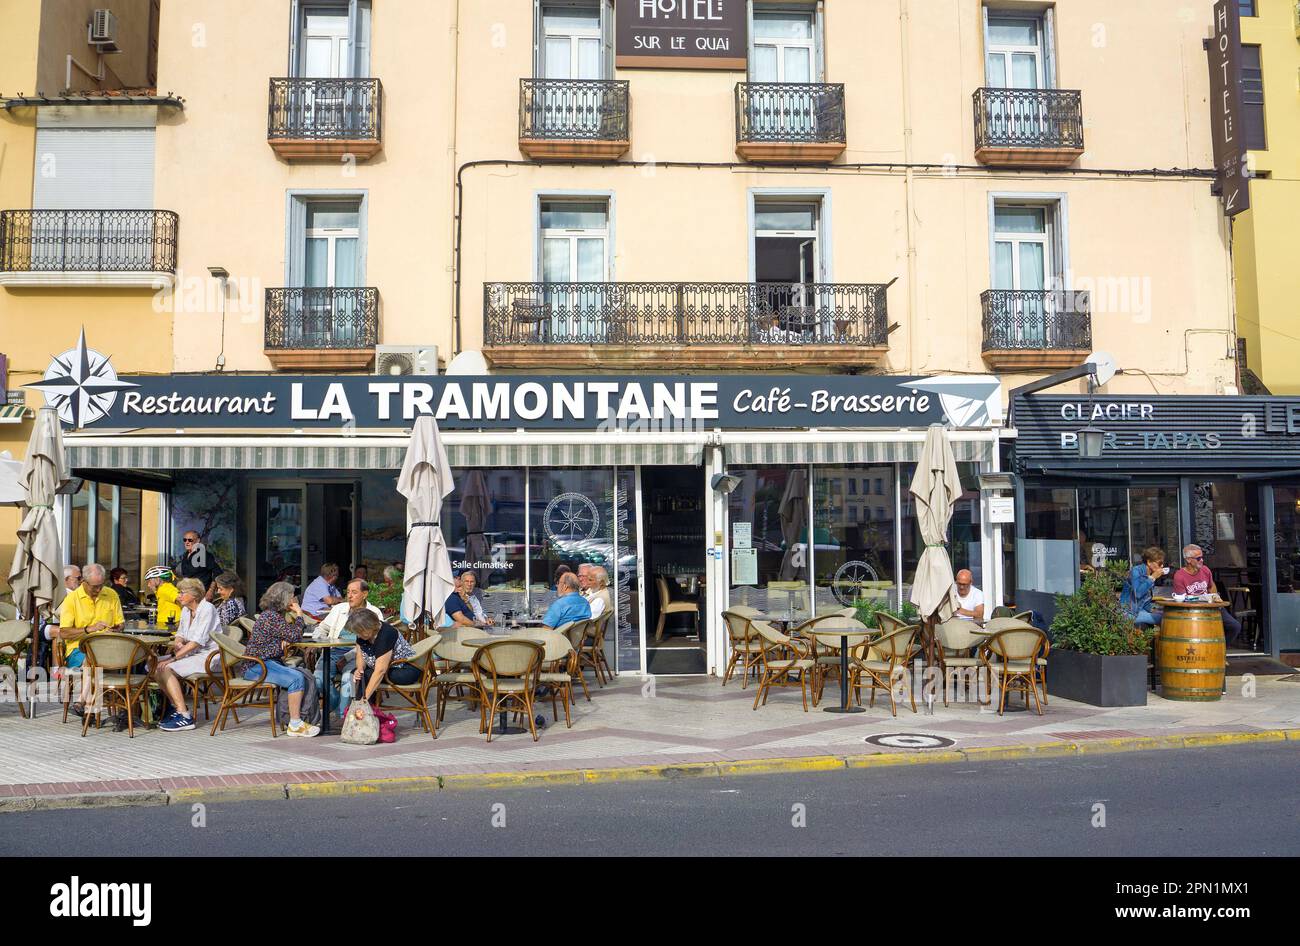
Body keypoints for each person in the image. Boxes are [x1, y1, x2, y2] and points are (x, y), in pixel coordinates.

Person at [240, 581, 319, 737]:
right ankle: (295, 724)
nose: (295, 599)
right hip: (257, 666)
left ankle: (298, 719)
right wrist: (299, 614)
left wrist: (285, 639)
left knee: (302, 674)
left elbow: (289, 635)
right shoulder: (271, 617)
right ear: (284, 598)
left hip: (266, 662)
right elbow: (295, 635)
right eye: (292, 596)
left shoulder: (273, 616)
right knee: (296, 678)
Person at [55, 563, 125, 715]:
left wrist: (118, 628)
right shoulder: (71, 599)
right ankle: (87, 705)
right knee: (91, 658)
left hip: (108, 648)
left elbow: (121, 623)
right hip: (78, 650)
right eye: (95, 587)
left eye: (101, 585)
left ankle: (84, 703)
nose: (99, 589)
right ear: (84, 582)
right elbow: (64, 633)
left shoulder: (111, 594)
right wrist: (88, 629)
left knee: (134, 658)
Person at [154, 578, 222, 732]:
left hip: (207, 656)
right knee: (152, 665)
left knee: (165, 668)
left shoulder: (207, 609)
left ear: (194, 595)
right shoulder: (186, 610)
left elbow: (198, 641)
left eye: (182, 593)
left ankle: (185, 716)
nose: (178, 596)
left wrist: (174, 658)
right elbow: (181, 633)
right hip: (191, 654)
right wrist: (178, 642)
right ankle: (177, 708)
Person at [1173, 544, 1242, 645]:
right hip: (1193, 611)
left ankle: (1220, 651)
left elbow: (1211, 586)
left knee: (1235, 626)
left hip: (1211, 607)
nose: (1202, 560)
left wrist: (1214, 596)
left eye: (1202, 557)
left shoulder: (1205, 570)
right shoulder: (1179, 576)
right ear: (1188, 560)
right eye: (1198, 558)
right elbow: (1182, 600)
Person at [348, 609, 419, 705]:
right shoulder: (363, 634)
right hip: (386, 669)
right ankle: (363, 709)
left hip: (404, 669)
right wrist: (359, 669)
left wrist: (364, 699)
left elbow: (380, 671)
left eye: (360, 632)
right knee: (356, 674)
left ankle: (362, 707)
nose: (358, 636)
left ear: (369, 627)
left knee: (367, 676)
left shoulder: (386, 634)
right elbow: (360, 655)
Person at [1121, 547, 1168, 628]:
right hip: (1128, 612)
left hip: (1139, 611)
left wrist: (1153, 610)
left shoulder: (1149, 575)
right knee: (1166, 618)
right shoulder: (1136, 571)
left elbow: (1144, 601)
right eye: (1159, 563)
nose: (1162, 566)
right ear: (1149, 562)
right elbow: (1138, 594)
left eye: (1163, 563)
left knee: (1166, 614)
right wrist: (1153, 578)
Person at [177, 530, 220, 598]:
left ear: (197, 541)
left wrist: (211, 591)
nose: (187, 542)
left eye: (190, 540)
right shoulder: (185, 556)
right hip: (188, 595)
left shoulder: (204, 555)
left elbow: (217, 572)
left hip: (201, 595)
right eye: (185, 540)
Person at [145, 565, 182, 630]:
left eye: (149, 581)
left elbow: (182, 600)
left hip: (170, 630)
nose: (148, 585)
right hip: (165, 628)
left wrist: (182, 621)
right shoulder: (161, 589)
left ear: (158, 579)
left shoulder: (164, 589)